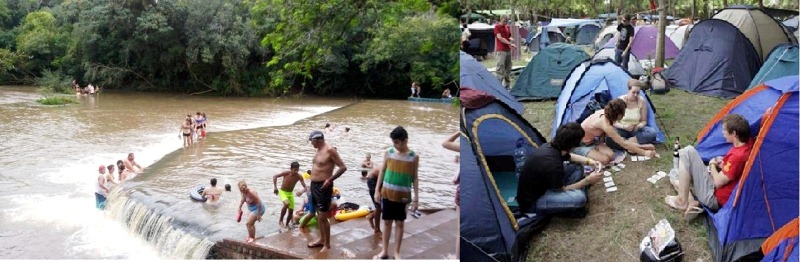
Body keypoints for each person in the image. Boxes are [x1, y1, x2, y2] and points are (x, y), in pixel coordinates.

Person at [665, 114, 753, 221]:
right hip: (714, 189)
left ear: (734, 133)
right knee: (674, 175)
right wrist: (722, 163)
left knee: (687, 151)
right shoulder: (746, 145)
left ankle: (682, 201)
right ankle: (692, 201)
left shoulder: (738, 156)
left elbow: (717, 182)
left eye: (724, 130)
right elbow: (732, 170)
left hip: (714, 197)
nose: (722, 132)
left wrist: (712, 164)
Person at [517, 123, 604, 216]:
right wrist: (587, 181)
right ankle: (571, 203)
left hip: (545, 184)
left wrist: (590, 161)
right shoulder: (553, 165)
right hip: (534, 201)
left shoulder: (552, 146)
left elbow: (569, 156)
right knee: (580, 198)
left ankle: (573, 195)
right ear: (572, 145)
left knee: (577, 167)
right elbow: (561, 189)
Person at [373, 126, 420, 260]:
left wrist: (416, 198)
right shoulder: (389, 152)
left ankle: (397, 252)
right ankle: (384, 251)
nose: (395, 145)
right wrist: (377, 190)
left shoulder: (413, 157)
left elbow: (415, 177)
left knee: (400, 223)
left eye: (397, 142)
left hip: (403, 196)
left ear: (405, 141)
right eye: (393, 142)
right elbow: (382, 171)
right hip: (387, 193)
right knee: (387, 222)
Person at [573, 99, 657, 165]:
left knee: (612, 155)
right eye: (623, 113)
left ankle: (594, 151)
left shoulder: (605, 114)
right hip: (580, 144)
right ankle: (578, 154)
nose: (624, 115)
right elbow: (624, 144)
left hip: (594, 141)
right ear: (618, 114)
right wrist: (645, 153)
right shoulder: (605, 124)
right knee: (605, 160)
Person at [306, 130, 347, 252]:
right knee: (319, 215)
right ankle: (321, 239)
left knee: (323, 216)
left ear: (318, 140)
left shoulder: (330, 150)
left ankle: (327, 244)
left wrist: (330, 180)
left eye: (312, 141)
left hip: (324, 186)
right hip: (314, 185)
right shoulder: (318, 150)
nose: (311, 143)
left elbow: (343, 167)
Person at [605, 80, 657, 151]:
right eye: (633, 92)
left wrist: (638, 126)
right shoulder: (620, 101)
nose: (635, 95)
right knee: (609, 137)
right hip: (622, 129)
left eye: (638, 93)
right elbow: (614, 121)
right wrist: (624, 127)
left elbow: (644, 121)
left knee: (652, 132)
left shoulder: (642, 101)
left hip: (636, 130)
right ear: (628, 90)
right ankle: (635, 145)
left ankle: (628, 143)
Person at [441, 131, 460, 258]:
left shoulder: (467, 146)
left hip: (463, 190)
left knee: (460, 228)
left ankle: (458, 257)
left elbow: (445, 143)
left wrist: (459, 132)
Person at [272, 161, 308, 228]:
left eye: (297, 170)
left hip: (290, 194)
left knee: (291, 211)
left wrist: (301, 191)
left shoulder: (299, 176)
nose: (296, 171)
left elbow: (305, 187)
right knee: (286, 203)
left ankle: (287, 224)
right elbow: (275, 176)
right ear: (291, 169)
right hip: (282, 192)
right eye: (295, 170)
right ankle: (280, 220)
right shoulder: (286, 173)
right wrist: (275, 187)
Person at [494, 15, 516, 88]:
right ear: (500, 20)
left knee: (508, 68)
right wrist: (510, 43)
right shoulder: (497, 27)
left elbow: (508, 36)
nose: (505, 23)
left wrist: (511, 39)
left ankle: (507, 85)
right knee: (500, 68)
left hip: (508, 50)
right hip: (501, 51)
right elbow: (500, 38)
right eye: (504, 21)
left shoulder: (507, 27)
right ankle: (498, 86)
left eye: (506, 21)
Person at [365, 165, 382, 234]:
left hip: (381, 181)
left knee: (386, 206)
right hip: (373, 181)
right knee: (379, 206)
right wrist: (377, 191)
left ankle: (371, 216)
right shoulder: (388, 166)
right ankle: (377, 229)